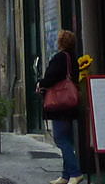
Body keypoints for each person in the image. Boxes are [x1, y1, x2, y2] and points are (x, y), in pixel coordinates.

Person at [40, 29, 83, 184]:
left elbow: (51, 77)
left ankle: (76, 173)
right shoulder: (73, 58)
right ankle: (66, 176)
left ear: (60, 43)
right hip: (70, 103)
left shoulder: (59, 58)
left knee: (60, 139)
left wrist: (41, 83)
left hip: (59, 105)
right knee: (67, 139)